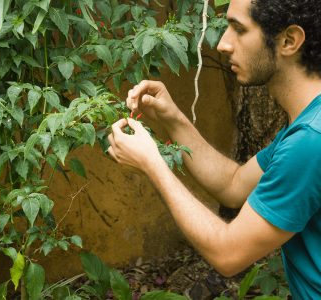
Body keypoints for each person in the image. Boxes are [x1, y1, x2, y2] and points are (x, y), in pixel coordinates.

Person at [107, 0, 321, 298]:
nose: (222, 44)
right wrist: (174, 120)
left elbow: (228, 254)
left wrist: (153, 164)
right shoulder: (308, 125)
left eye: (239, 29)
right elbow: (233, 185)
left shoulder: (310, 141)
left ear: (289, 41)